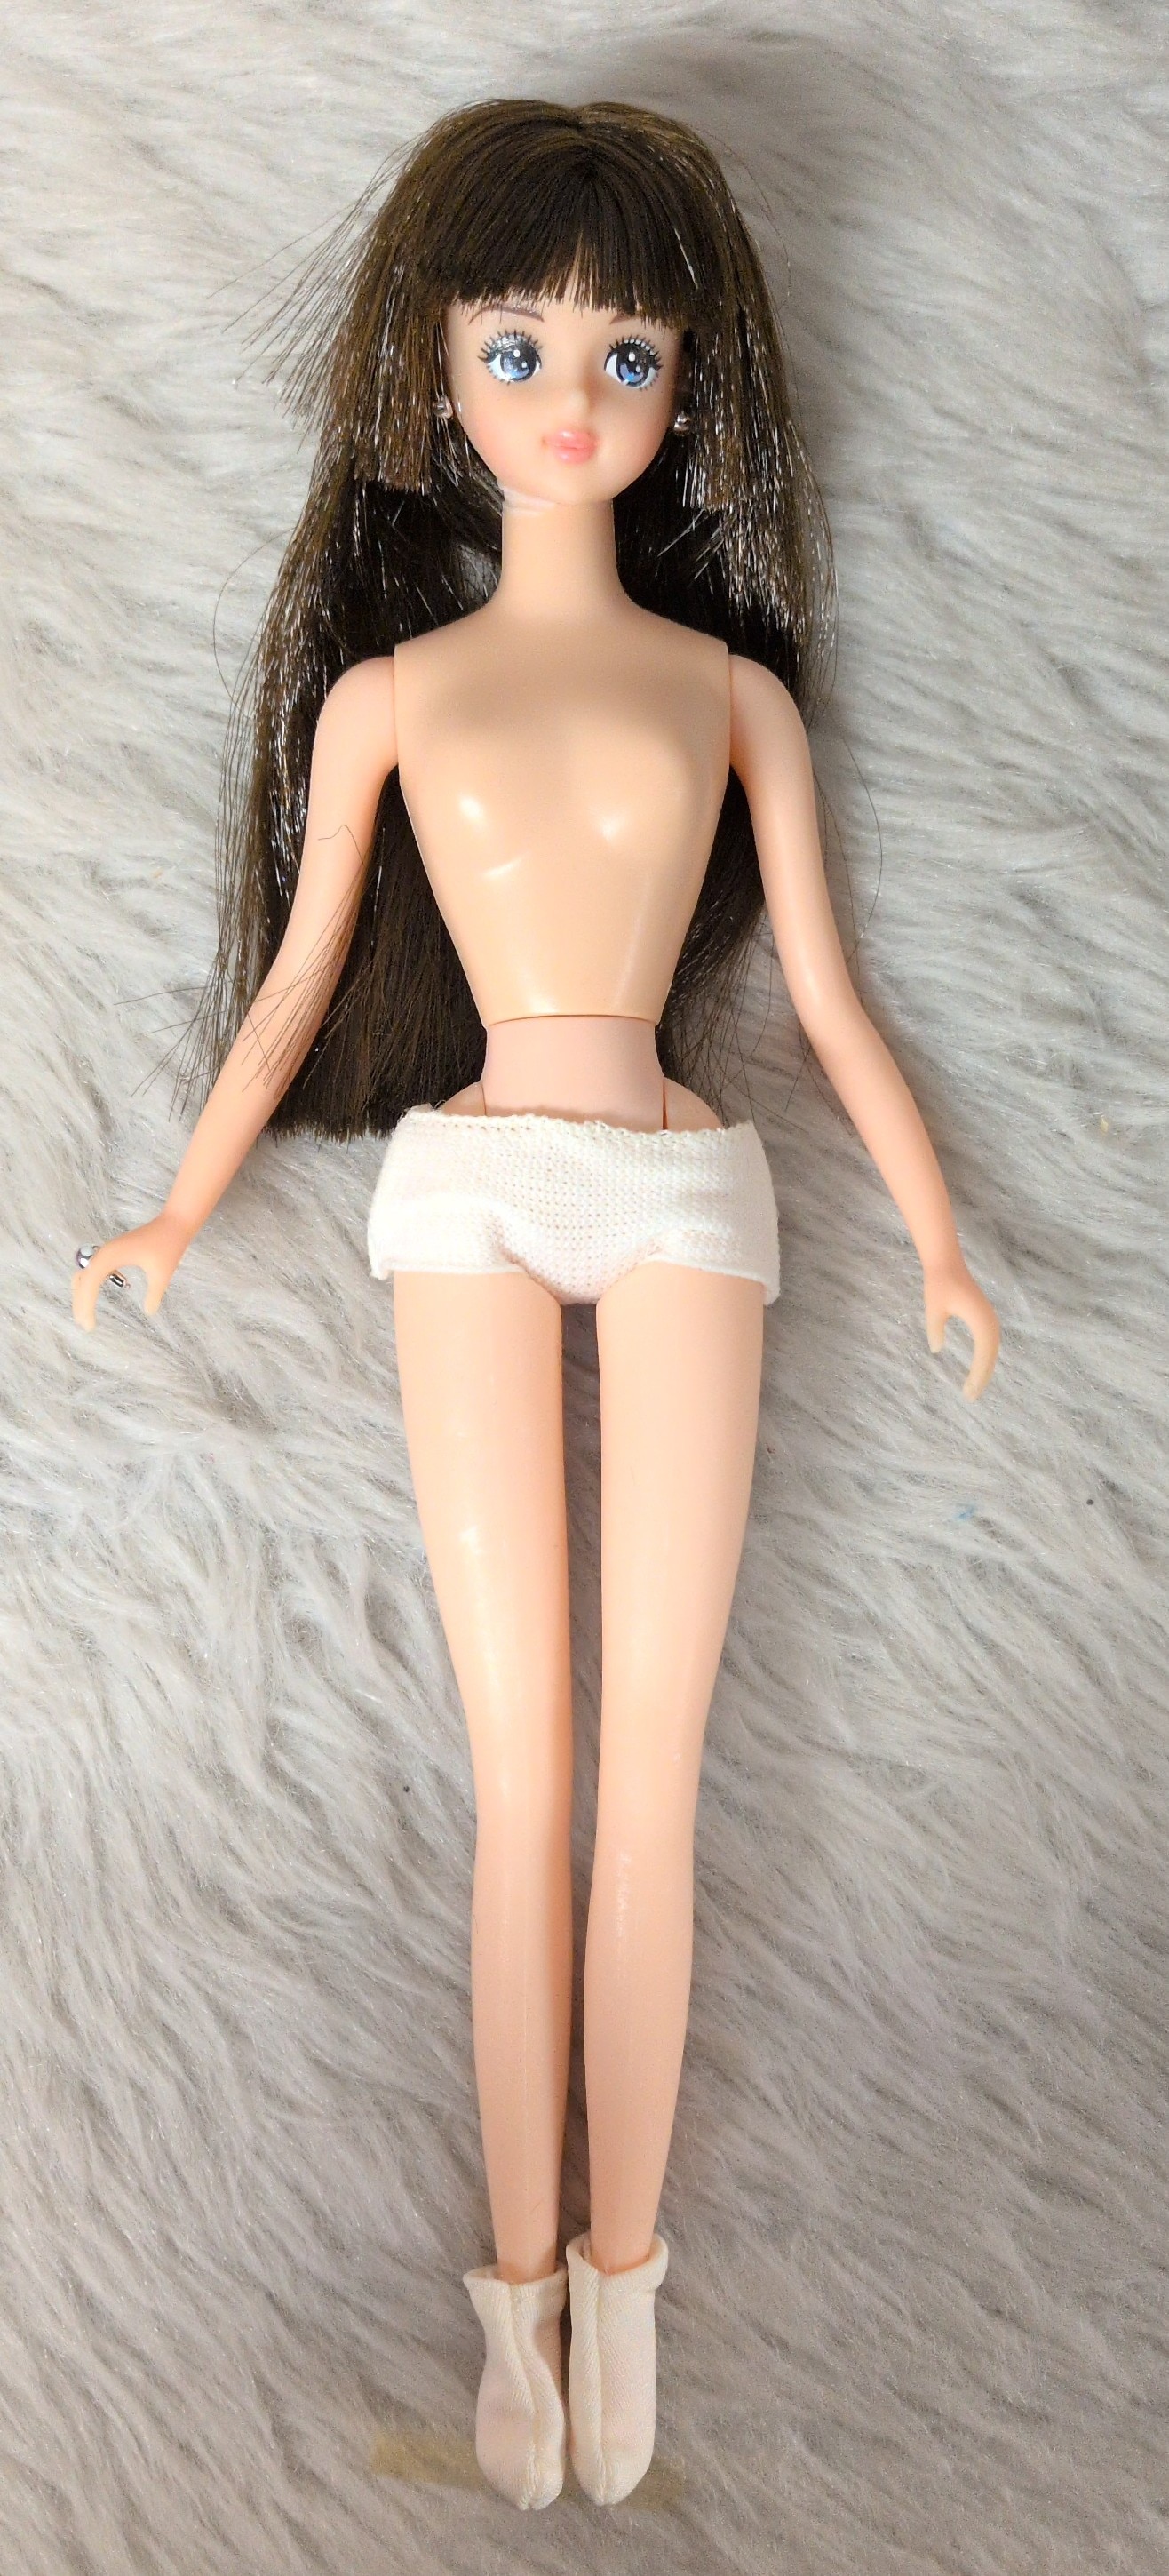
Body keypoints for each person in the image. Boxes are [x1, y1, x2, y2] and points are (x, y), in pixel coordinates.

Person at [72, 97, 999, 2510]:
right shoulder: (389, 697)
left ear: (689, 386)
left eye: (626, 354)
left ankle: (626, 2275)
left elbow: (829, 999)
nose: (572, 399)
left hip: (683, 1192)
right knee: (527, 1780)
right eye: (517, 347)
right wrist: (173, 1212)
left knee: (649, 1771)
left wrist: (934, 1229)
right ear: (436, 377)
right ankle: (513, 2291)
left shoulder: (731, 693)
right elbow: (294, 994)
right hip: (471, 1187)